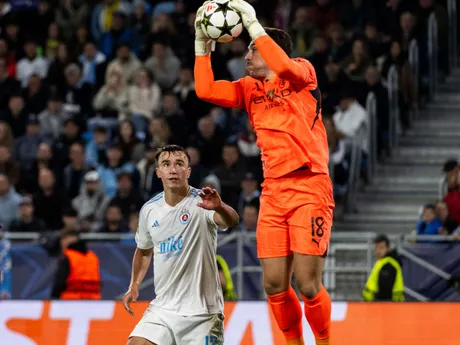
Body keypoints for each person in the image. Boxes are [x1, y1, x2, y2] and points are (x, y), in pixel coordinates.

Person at [194, 1, 335, 344]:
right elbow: (205, 89)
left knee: (307, 284)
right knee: (274, 285)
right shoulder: (249, 89)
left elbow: (284, 68)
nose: (246, 57)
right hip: (273, 191)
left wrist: (255, 25)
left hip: (309, 186)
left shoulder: (302, 74)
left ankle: (326, 341)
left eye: (253, 50)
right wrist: (201, 45)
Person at [123, 144, 239, 345]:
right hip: (163, 310)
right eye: (166, 164)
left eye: (179, 164)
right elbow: (143, 251)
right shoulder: (149, 210)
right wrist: (134, 285)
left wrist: (220, 207)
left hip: (203, 314)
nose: (173, 170)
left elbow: (231, 221)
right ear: (158, 172)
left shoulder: (203, 202)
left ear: (188, 171)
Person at [363, 234, 404, 302]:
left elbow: (385, 290)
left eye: (381, 247)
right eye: (376, 248)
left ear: (388, 248)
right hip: (385, 305)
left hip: (385, 306)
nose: (378, 251)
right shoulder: (382, 262)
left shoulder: (389, 264)